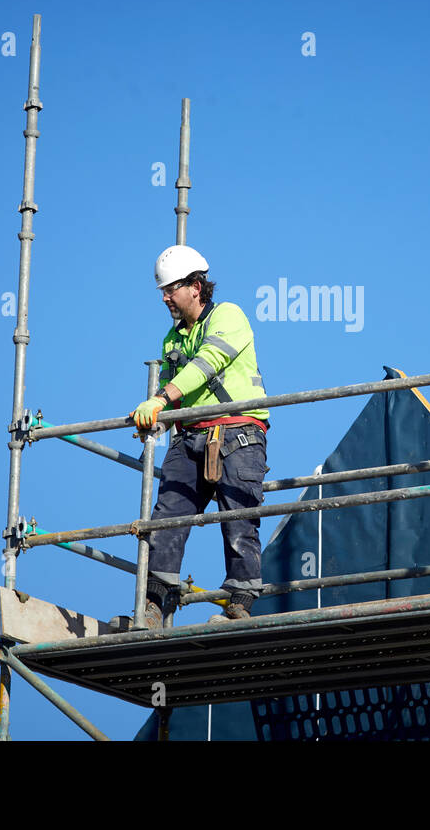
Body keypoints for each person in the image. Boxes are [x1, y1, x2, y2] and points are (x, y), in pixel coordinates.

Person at [131, 245, 269, 629]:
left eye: (170, 289)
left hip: (238, 433)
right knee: (166, 520)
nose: (164, 297)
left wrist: (159, 399)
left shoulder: (229, 316)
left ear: (195, 286)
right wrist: (153, 421)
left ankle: (238, 605)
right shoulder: (171, 340)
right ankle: (155, 606)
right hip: (189, 438)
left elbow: (207, 364)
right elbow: (170, 395)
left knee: (239, 517)